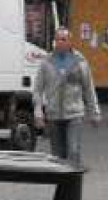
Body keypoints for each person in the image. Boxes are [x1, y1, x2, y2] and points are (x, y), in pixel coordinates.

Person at [33, 27, 101, 168]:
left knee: (73, 152)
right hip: (53, 115)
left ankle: (72, 187)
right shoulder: (47, 62)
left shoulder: (79, 61)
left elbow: (89, 88)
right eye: (57, 39)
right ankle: (61, 189)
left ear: (70, 42)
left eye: (63, 39)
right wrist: (38, 113)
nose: (60, 42)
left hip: (74, 114)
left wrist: (94, 112)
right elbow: (38, 90)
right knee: (57, 157)